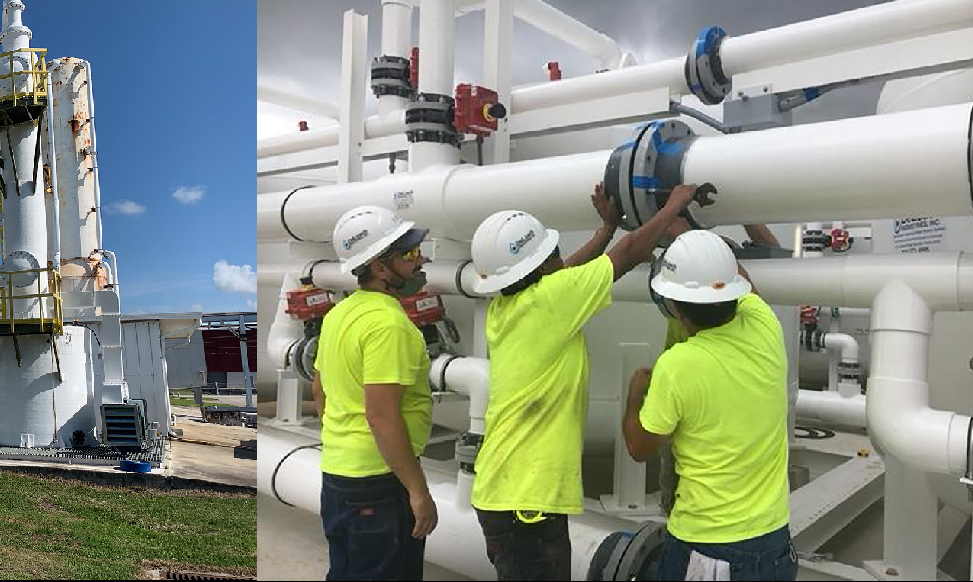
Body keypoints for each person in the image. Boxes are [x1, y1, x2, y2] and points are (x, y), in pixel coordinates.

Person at [463, 183, 706, 580]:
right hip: (528, 501)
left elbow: (566, 272)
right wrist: (673, 206)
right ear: (539, 267)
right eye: (550, 254)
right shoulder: (552, 299)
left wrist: (606, 228)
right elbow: (627, 256)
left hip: (503, 493)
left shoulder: (505, 307)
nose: (559, 259)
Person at [623, 229, 796, 581]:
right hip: (773, 539)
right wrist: (695, 235)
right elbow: (739, 279)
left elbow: (638, 448)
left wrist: (634, 396)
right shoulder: (766, 328)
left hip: (706, 549)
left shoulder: (679, 364)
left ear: (674, 309)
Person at [314, 205, 436, 581]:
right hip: (380, 482)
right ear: (380, 266)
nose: (421, 260)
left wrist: (344, 438)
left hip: (338, 475)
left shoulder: (338, 314)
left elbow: (319, 388)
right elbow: (381, 414)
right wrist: (417, 491)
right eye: (410, 254)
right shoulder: (388, 324)